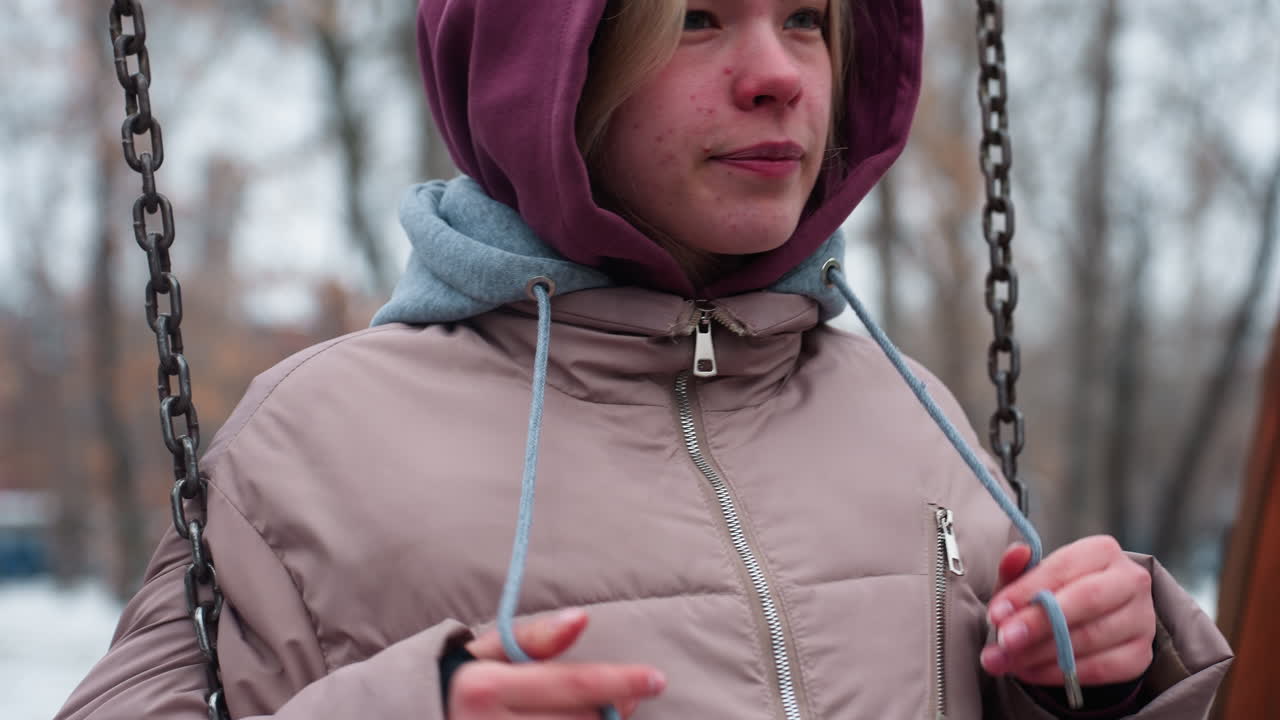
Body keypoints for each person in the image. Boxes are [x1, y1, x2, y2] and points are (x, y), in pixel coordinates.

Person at [59, 0, 1231, 718]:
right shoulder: (314, 443)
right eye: (695, 19)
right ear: (545, 67)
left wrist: (1098, 674)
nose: (778, 74)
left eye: (805, 19)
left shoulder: (906, 410)